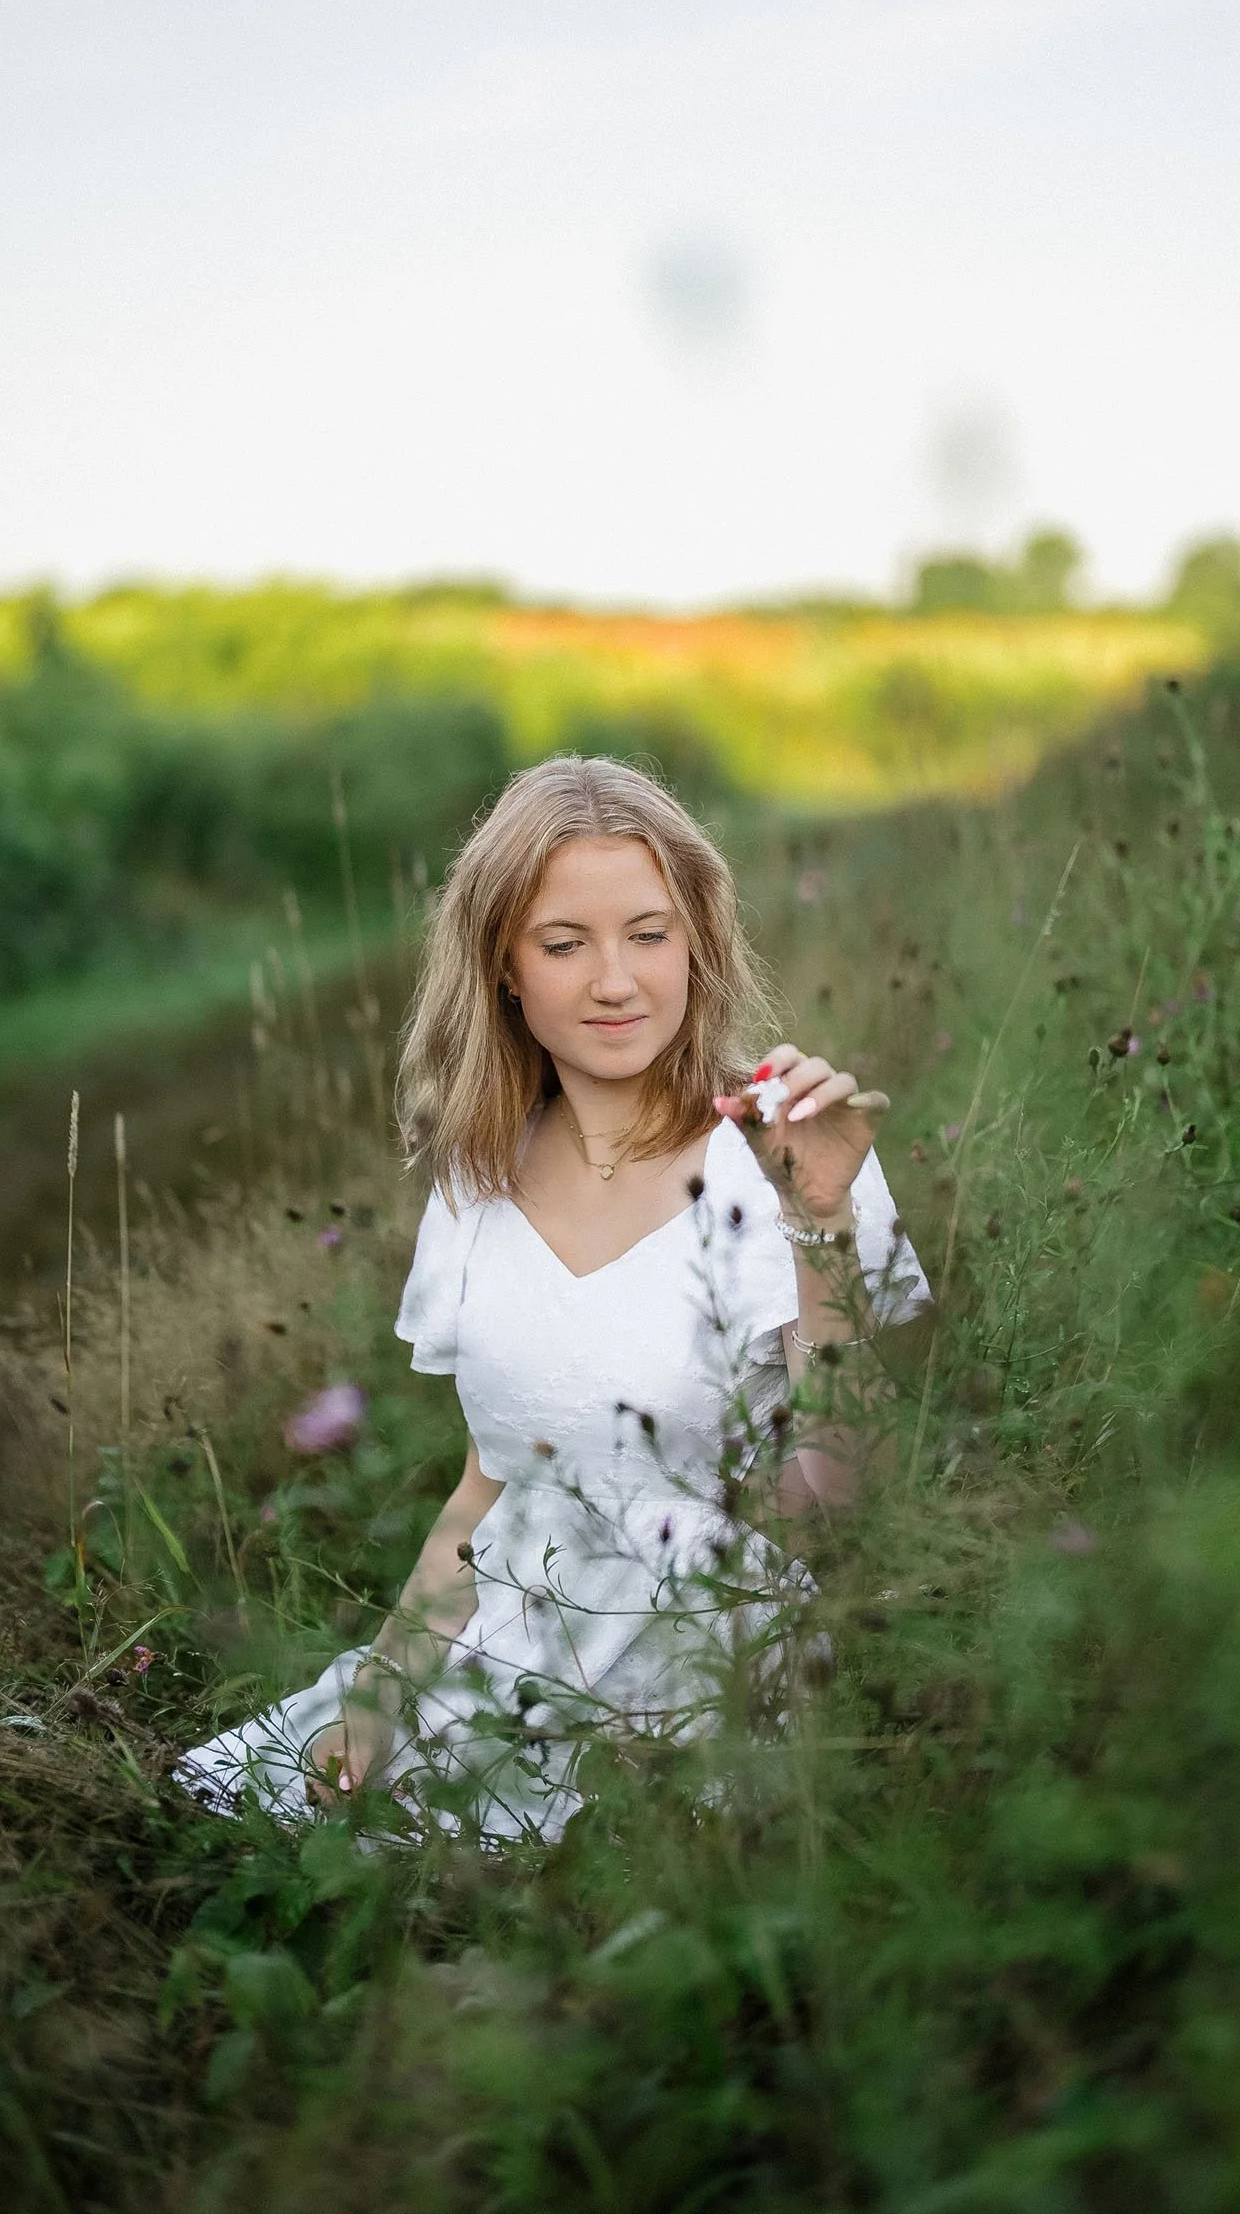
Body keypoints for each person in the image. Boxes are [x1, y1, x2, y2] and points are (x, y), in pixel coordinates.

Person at [176, 755, 927, 1841]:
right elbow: (490, 1489)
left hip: (705, 1666)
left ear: (699, 943)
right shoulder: (475, 1176)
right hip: (503, 1648)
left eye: (649, 933)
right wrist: (379, 1696)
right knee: (253, 1828)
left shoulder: (786, 1154)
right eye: (565, 943)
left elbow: (838, 1507)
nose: (615, 980)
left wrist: (819, 1222)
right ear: (504, 971)